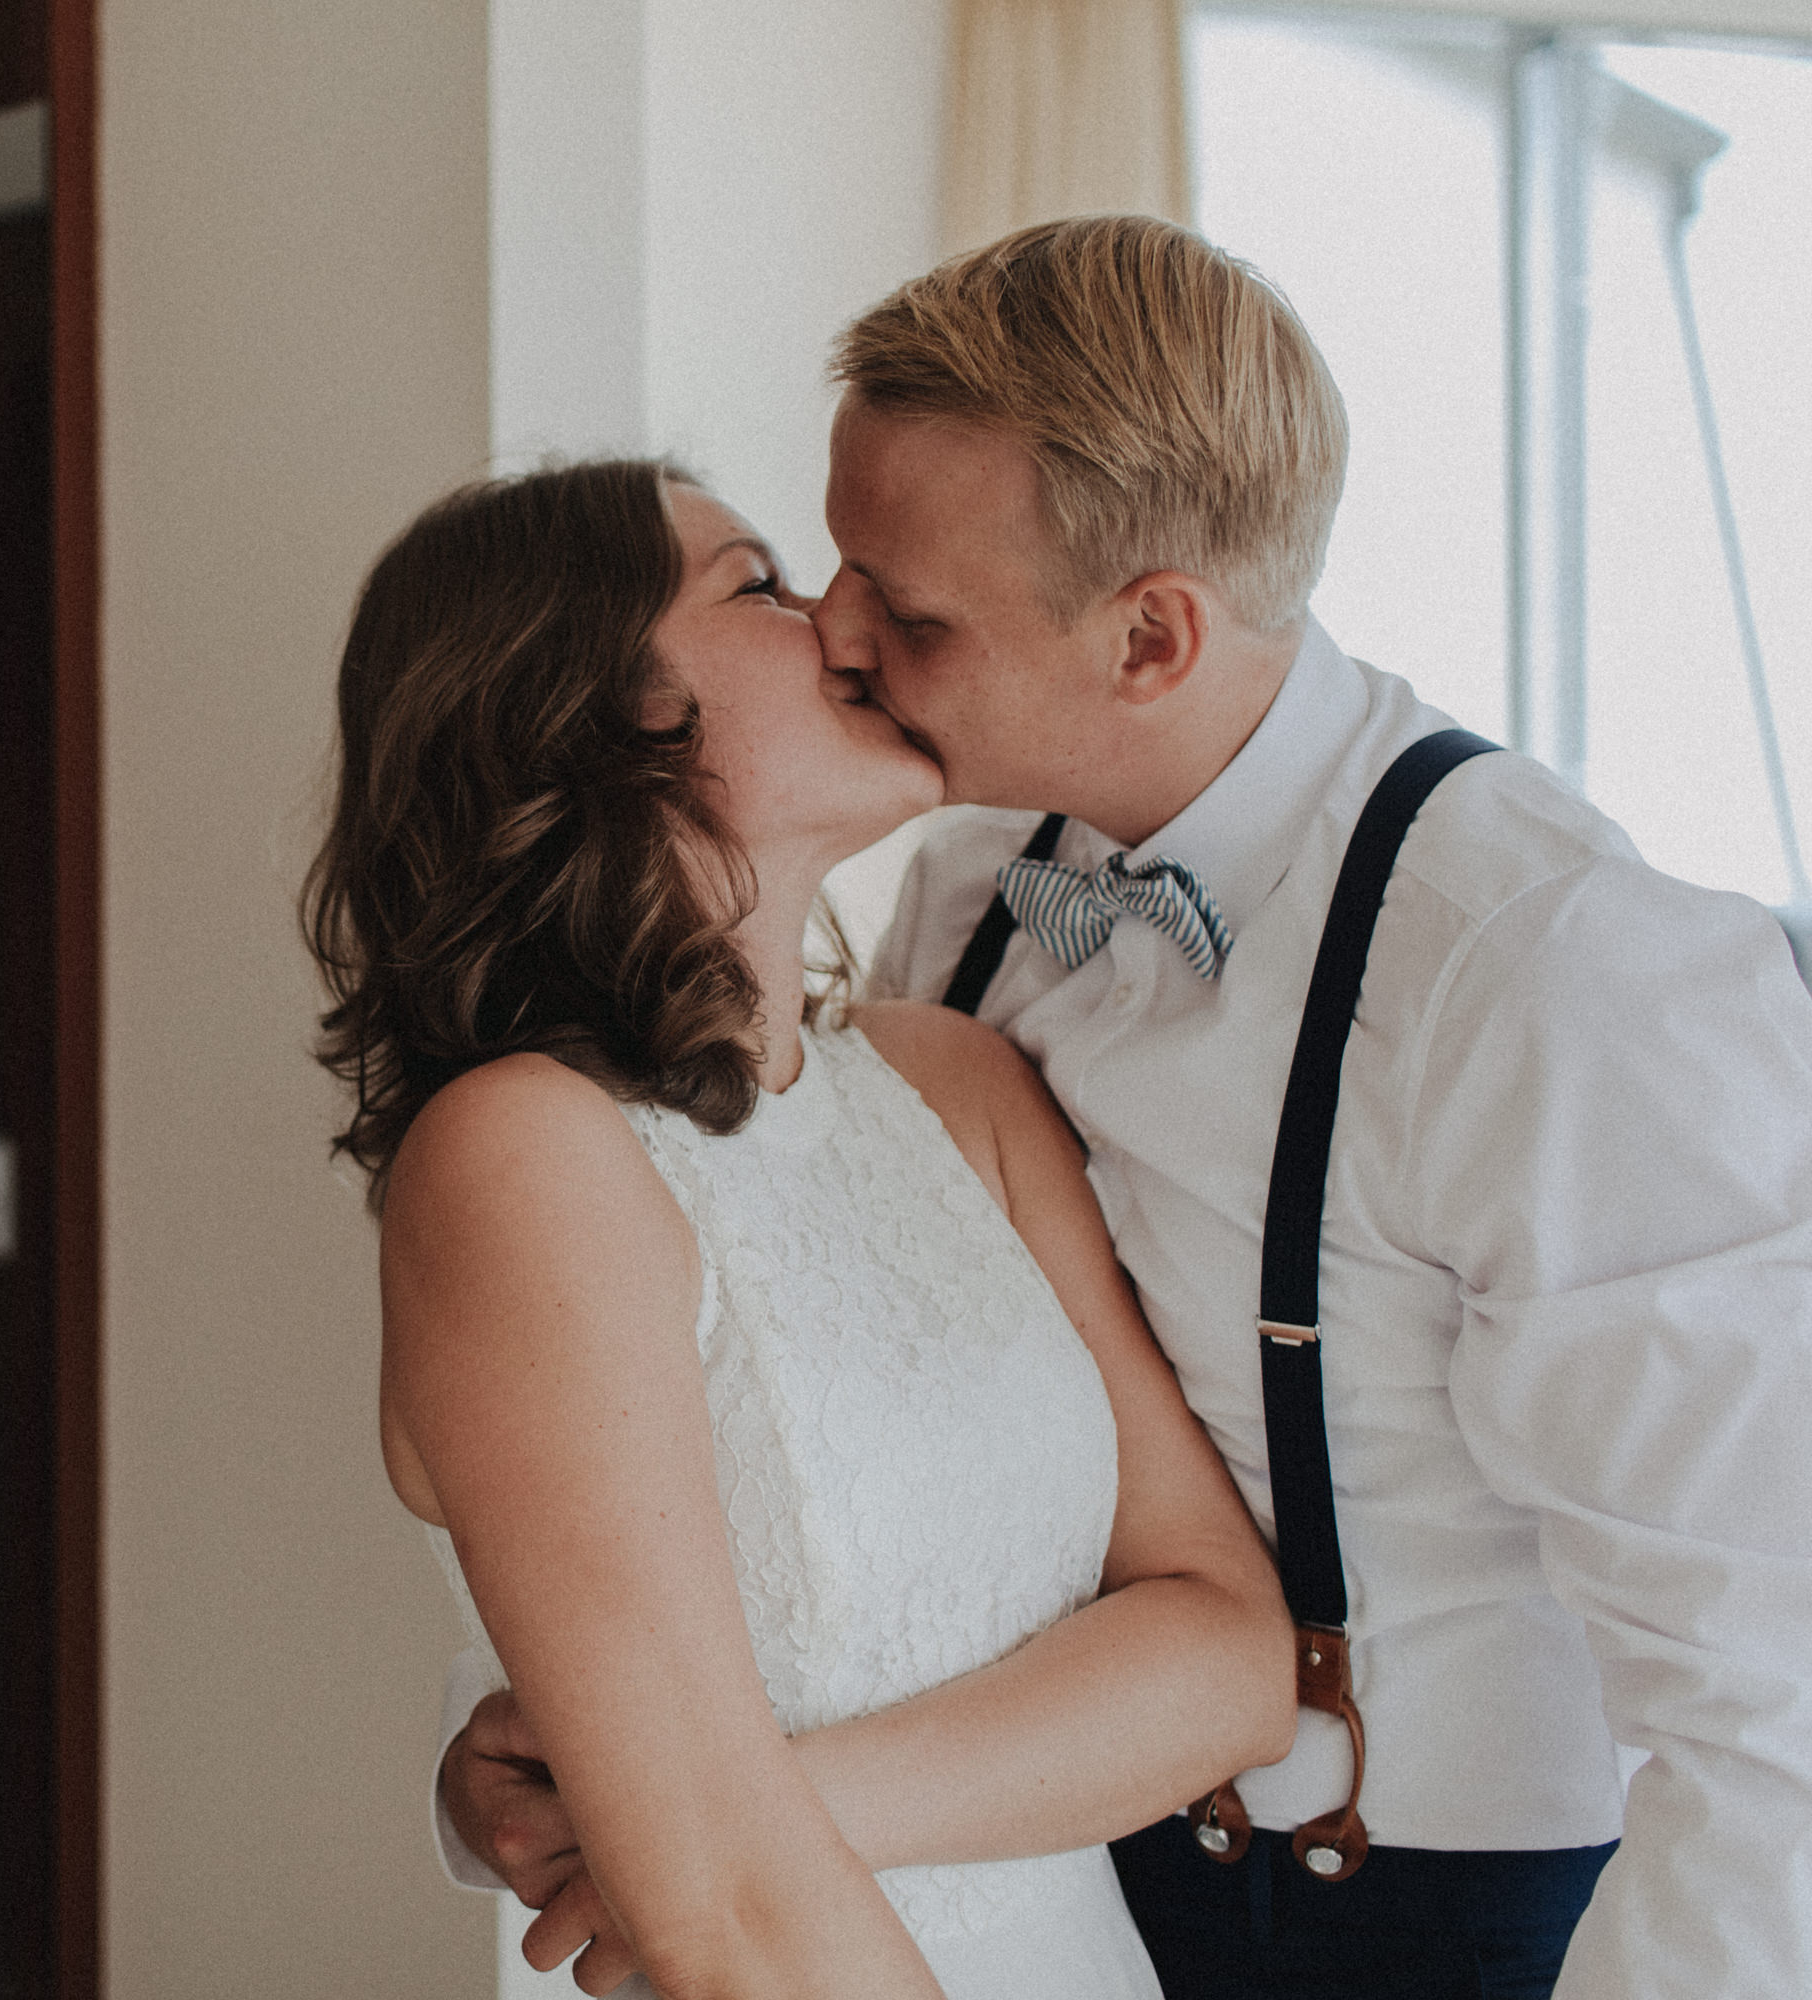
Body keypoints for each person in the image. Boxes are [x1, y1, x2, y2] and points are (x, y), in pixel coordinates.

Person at [439, 217, 1812, 1999]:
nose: (840, 635)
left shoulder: (1562, 972)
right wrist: (608, 1769)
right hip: (1044, 1877)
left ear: (1151, 635)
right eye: (834, 564)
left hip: (1444, 1933)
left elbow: (1774, 1705)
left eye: (909, 610)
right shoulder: (968, 896)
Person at [309, 454, 1296, 1998]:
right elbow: (721, 1922)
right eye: (758, 585)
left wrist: (722, 1817)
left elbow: (1235, 1657)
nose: (848, 618)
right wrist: (690, 1846)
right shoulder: (520, 1157)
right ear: (599, 712)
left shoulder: (953, 1085)